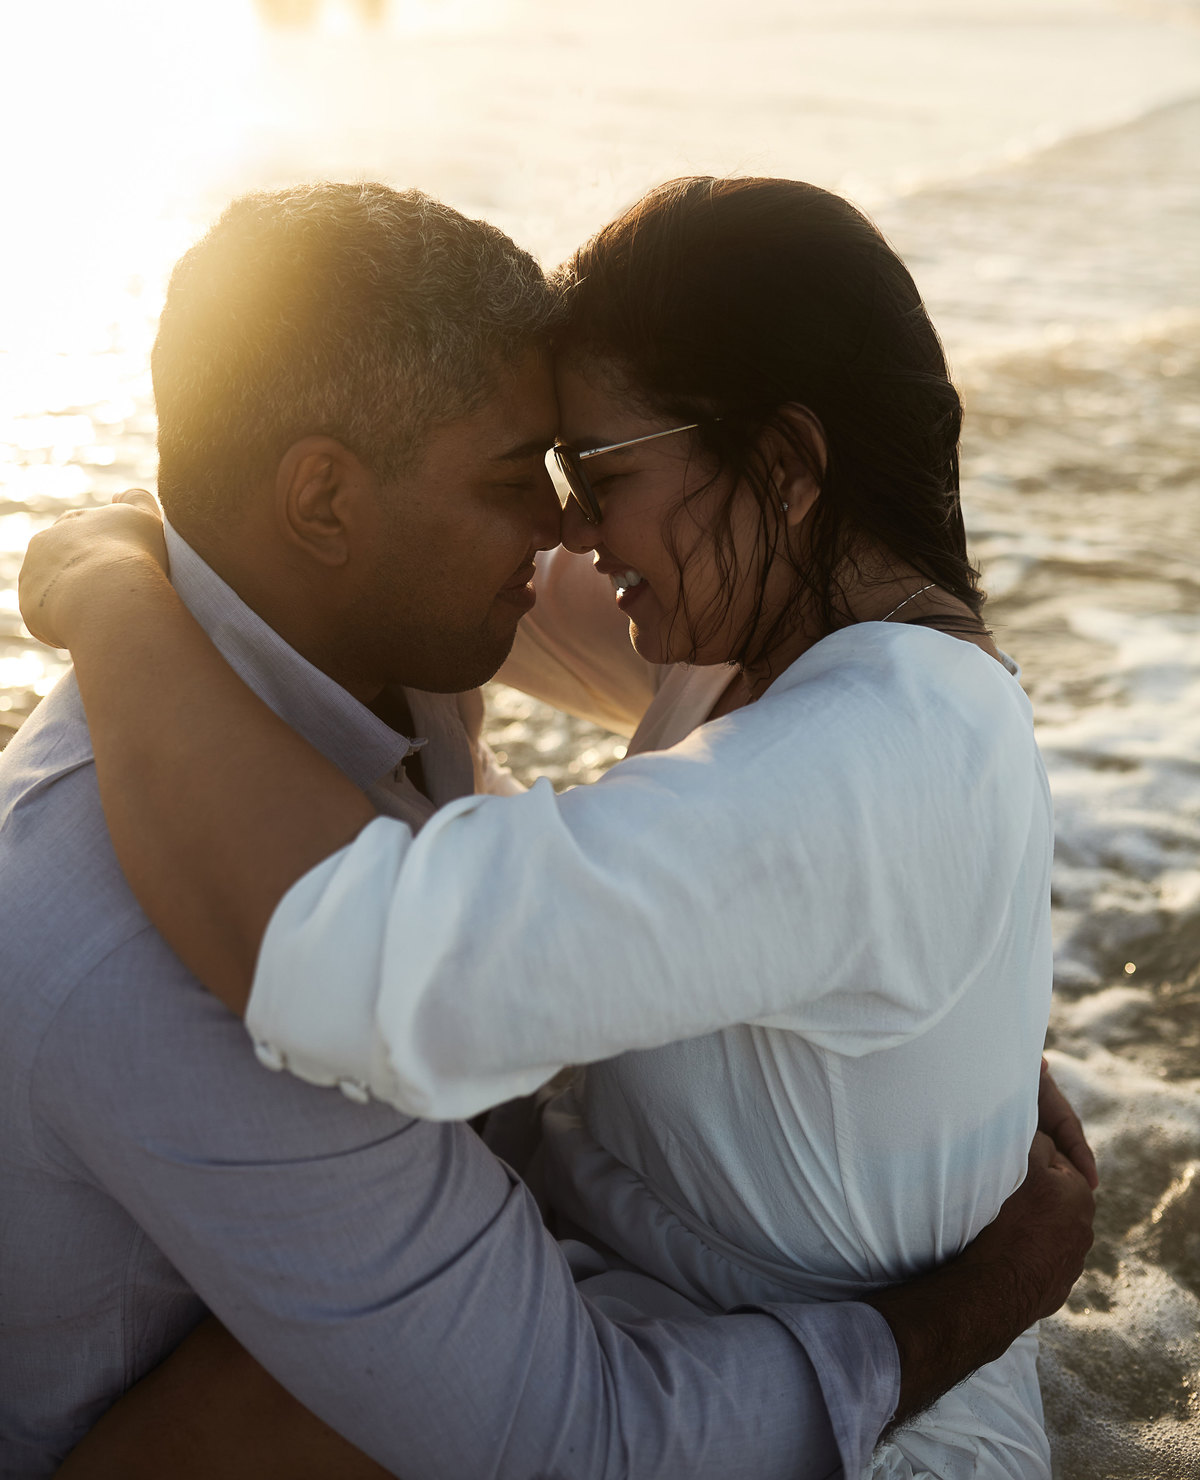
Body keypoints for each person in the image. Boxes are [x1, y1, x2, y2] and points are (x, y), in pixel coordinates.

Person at [14, 178, 1095, 1477]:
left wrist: (113, 591)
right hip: (676, 1344)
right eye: (533, 472)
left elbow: (375, 959)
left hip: (874, 1435)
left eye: (596, 472)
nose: (566, 526)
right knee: (274, 1400)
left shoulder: (876, 742)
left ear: (786, 472)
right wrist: (141, 558)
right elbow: (405, 560)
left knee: (290, 1396)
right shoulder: (756, 643)